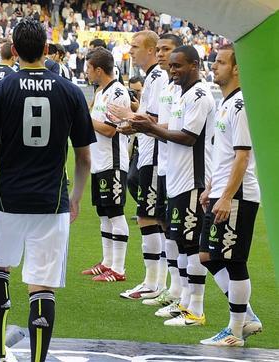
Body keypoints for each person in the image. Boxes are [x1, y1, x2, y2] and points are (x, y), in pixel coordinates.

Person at [0, 18, 94, 362]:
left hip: (7, 200)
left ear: (14, 51)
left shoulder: (1, 89)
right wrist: (75, 197)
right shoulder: (71, 91)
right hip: (51, 201)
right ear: (47, 50)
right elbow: (83, 157)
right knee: (42, 285)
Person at [129, 45, 215, 327]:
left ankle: (195, 310)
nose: (173, 70)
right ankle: (183, 302)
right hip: (176, 177)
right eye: (171, 66)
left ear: (194, 64)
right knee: (179, 240)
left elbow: (188, 137)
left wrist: (151, 128)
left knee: (190, 244)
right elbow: (171, 129)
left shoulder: (200, 95)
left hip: (193, 179)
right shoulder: (181, 94)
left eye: (178, 66)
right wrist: (144, 124)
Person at [199, 44, 262, 346]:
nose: (214, 66)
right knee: (206, 254)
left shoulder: (242, 105)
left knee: (233, 260)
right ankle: (246, 315)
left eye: (221, 62)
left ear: (237, 68)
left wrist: (226, 197)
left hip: (237, 196)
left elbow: (242, 157)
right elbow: (224, 155)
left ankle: (236, 331)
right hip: (222, 191)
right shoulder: (225, 103)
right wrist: (212, 188)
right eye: (215, 61)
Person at [110, 31, 169, 301]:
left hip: (156, 155)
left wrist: (129, 117)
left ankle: (154, 283)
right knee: (152, 216)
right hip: (149, 153)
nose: (130, 50)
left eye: (135, 46)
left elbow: (154, 119)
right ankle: (158, 282)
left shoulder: (158, 76)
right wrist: (130, 124)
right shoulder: (152, 77)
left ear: (151, 50)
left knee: (151, 216)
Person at [81, 48, 131, 282]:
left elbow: (111, 130)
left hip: (113, 162)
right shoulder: (101, 91)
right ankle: (107, 262)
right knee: (103, 213)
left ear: (98, 69)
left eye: (88, 68)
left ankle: (118, 269)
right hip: (99, 162)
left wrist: (85, 119)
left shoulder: (118, 92)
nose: (86, 73)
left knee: (115, 213)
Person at [144, 34, 184, 311]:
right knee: (164, 225)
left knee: (180, 236)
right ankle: (173, 290)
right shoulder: (168, 86)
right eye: (158, 50)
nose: (161, 55)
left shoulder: (193, 92)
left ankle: (186, 297)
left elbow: (173, 129)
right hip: (165, 166)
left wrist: (141, 123)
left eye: (166, 50)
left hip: (183, 173)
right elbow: (158, 122)